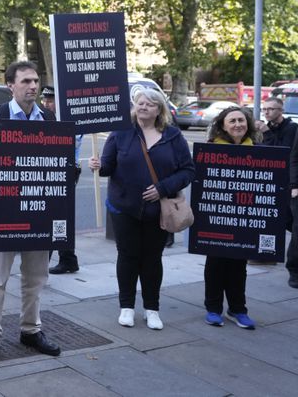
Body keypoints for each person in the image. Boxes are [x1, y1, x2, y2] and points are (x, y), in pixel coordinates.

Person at [0, 63, 61, 362]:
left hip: (38, 207)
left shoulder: (47, 118)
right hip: (4, 207)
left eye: (35, 80)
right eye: (26, 81)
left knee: (36, 275)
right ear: (10, 84)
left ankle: (31, 329)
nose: (33, 86)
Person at [89, 88, 194, 330]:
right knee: (127, 256)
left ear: (159, 110)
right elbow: (108, 167)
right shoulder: (122, 133)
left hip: (158, 210)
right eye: (140, 103)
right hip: (124, 207)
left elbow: (188, 171)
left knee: (152, 258)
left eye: (149, 104)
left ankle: (152, 309)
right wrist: (98, 165)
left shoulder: (173, 136)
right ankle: (126, 307)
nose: (143, 107)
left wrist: (162, 188)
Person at [202, 106, 259, 329]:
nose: (237, 125)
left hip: (244, 216)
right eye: (232, 121)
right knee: (215, 264)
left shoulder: (257, 149)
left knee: (238, 265)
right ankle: (213, 309)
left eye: (241, 121)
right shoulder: (211, 149)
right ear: (223, 126)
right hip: (216, 217)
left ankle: (237, 309)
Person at [41, 84, 83, 275]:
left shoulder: (69, 121)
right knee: (56, 216)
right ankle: (67, 259)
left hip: (66, 171)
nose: (46, 104)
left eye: (50, 100)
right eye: (44, 100)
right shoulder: (44, 118)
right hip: (51, 170)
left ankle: (47, 261)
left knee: (54, 216)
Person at [256, 97, 298, 281]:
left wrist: (266, 133)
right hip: (275, 181)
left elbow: (282, 153)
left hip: (287, 182)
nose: (267, 112)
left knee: (290, 220)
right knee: (285, 219)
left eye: (271, 109)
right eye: (265, 109)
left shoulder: (290, 129)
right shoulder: (268, 128)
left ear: (280, 110)